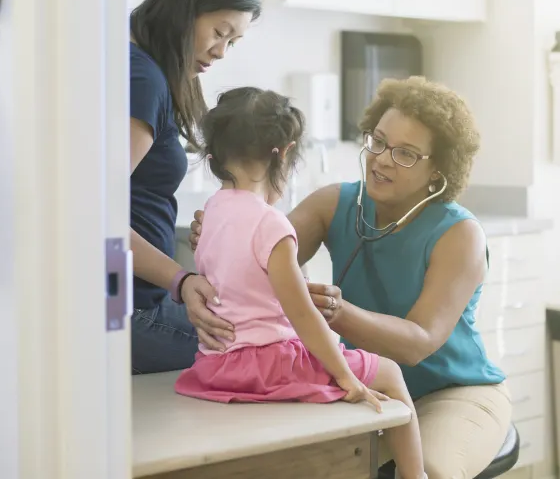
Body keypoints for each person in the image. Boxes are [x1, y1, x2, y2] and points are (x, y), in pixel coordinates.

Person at [188, 77, 512, 479]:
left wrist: (335, 312)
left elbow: (418, 343)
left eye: (406, 154)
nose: (383, 159)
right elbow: (261, 254)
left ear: (439, 170)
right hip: (359, 382)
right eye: (378, 141)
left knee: (430, 470)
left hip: (451, 391)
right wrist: (225, 233)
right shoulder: (335, 203)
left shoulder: (458, 234)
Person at [175, 87, 427, 479]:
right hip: (265, 364)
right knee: (390, 374)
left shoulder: (212, 212)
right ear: (285, 153)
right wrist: (345, 376)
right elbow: (304, 316)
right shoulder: (270, 223)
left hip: (216, 364)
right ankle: (417, 477)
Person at [129, 0, 261, 374]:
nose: (221, 52)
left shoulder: (136, 66)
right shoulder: (142, 79)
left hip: (133, 302)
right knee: (280, 344)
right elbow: (94, 212)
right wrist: (181, 280)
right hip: (130, 312)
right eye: (219, 32)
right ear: (186, 9)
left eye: (232, 42)